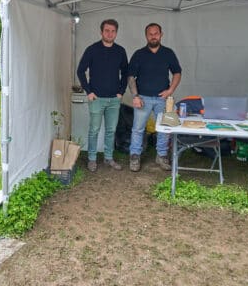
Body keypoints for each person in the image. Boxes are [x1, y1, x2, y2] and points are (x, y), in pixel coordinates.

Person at [127, 23, 182, 172]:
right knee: (138, 129)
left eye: (156, 33)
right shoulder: (139, 54)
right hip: (142, 98)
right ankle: (135, 156)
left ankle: (162, 156)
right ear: (146, 36)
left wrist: (170, 90)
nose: (153, 36)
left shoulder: (168, 53)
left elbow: (177, 72)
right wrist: (135, 96)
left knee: (164, 129)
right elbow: (131, 76)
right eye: (150, 34)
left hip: (162, 99)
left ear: (161, 34)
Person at [77, 19, 129, 172]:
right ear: (101, 32)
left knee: (111, 130)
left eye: (113, 31)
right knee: (94, 130)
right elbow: (81, 71)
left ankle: (108, 158)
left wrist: (121, 92)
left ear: (116, 33)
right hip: (96, 98)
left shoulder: (120, 51)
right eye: (107, 30)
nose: (110, 33)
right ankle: (92, 159)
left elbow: (126, 72)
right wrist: (89, 91)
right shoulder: (92, 49)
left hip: (114, 99)